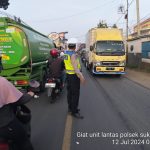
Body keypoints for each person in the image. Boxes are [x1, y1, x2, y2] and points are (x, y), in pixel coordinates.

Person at [0, 56, 34, 150]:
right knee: (24, 142)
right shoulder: (2, 81)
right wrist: (30, 94)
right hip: (4, 124)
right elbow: (20, 100)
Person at [64, 38, 85, 119]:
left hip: (68, 76)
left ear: (69, 46)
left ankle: (70, 108)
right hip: (73, 76)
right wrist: (81, 76)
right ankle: (74, 111)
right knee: (75, 94)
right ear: (74, 46)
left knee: (69, 93)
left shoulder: (66, 53)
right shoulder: (73, 55)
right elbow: (75, 68)